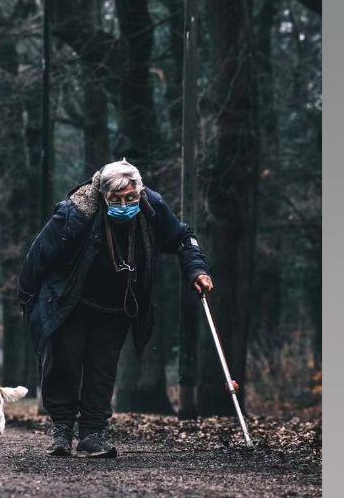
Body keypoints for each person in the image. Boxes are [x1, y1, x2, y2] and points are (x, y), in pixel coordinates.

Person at [17, 159, 212, 458]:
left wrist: (197, 271)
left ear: (140, 191)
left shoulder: (152, 208)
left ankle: (93, 434)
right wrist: (28, 300)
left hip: (116, 306)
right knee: (64, 364)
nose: (124, 205)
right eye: (116, 200)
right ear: (103, 195)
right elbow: (38, 256)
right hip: (71, 302)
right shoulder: (75, 212)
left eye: (130, 198)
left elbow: (183, 238)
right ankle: (62, 430)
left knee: (102, 369)